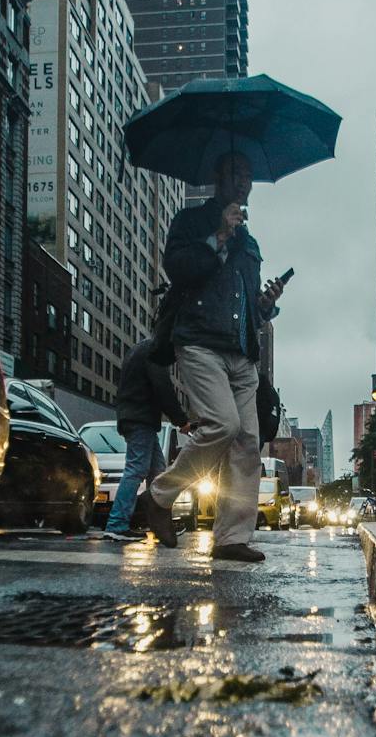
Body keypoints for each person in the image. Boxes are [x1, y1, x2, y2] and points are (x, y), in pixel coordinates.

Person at [137, 150, 287, 565]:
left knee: (247, 444)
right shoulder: (192, 222)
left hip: (241, 353)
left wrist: (267, 304)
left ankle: (232, 537)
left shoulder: (250, 242)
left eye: (249, 175)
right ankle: (159, 497)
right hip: (199, 341)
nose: (243, 182)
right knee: (223, 424)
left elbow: (248, 309)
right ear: (218, 179)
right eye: (236, 173)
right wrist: (218, 235)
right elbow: (178, 268)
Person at [104, 336, 188, 542]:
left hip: (136, 418)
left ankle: (158, 523)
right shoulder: (154, 352)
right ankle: (116, 524)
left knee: (157, 472)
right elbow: (163, 388)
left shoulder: (140, 349)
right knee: (136, 469)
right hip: (139, 418)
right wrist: (181, 420)